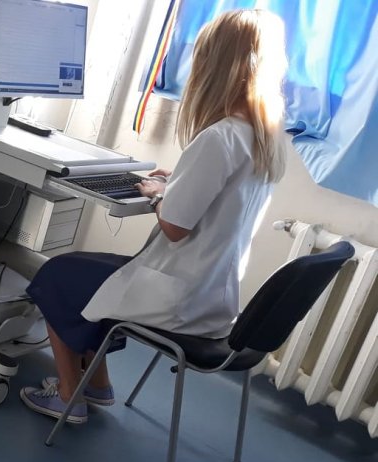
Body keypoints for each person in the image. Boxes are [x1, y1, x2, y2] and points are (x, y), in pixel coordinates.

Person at [19, 9, 288, 424]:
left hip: (179, 295)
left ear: (216, 65)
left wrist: (161, 194)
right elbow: (225, 203)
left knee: (57, 275)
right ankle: (98, 385)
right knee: (92, 276)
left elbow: (175, 228)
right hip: (213, 296)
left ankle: (70, 396)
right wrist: (178, 184)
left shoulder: (218, 138)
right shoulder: (264, 138)